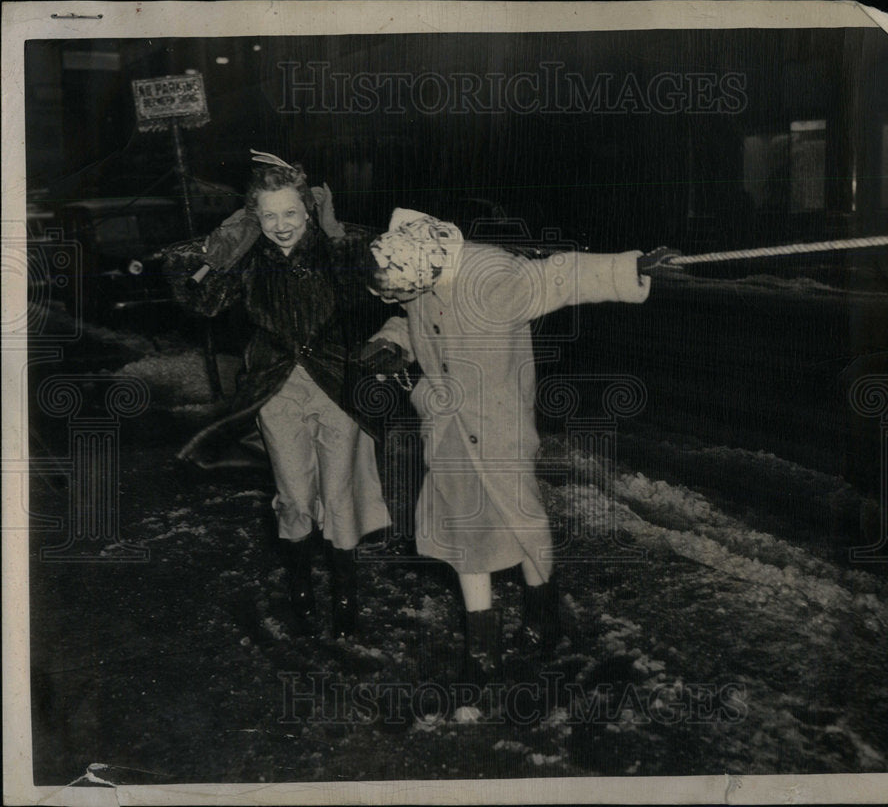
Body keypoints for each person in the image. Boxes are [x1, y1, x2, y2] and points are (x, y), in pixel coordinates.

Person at [362, 208, 651, 682]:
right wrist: (393, 341)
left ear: (427, 268)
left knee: (523, 523)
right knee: (463, 531)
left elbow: (561, 276)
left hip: (498, 424)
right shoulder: (415, 261)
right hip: (449, 422)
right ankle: (483, 650)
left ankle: (542, 617)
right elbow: (410, 316)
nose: (399, 298)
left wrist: (626, 269)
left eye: (400, 290)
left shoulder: (489, 276)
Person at [171, 152, 392, 638]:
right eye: (269, 216)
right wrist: (229, 240)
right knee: (294, 498)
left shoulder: (333, 250)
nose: (281, 225)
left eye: (290, 213)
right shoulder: (251, 255)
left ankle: (345, 595)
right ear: (257, 217)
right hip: (276, 390)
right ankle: (300, 589)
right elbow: (200, 299)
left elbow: (366, 291)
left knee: (339, 497)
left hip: (336, 386)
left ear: (308, 210)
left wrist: (336, 235)